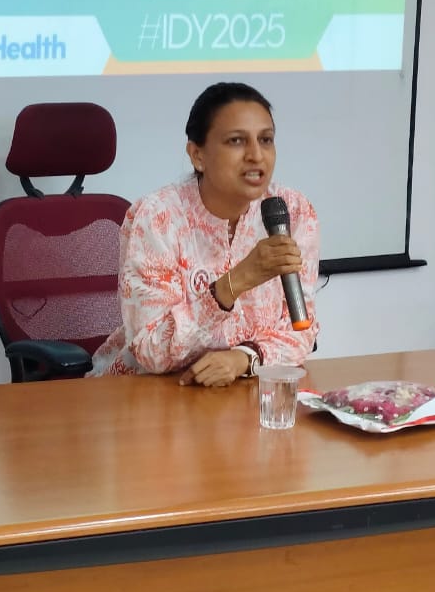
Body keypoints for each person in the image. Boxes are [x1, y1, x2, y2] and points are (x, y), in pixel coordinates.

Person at [90, 81, 319, 385]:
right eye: (236, 141)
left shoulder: (293, 210)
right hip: (147, 391)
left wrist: (245, 358)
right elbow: (151, 352)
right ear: (197, 155)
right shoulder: (158, 217)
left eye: (266, 140)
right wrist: (235, 282)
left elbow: (302, 329)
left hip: (241, 390)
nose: (256, 155)